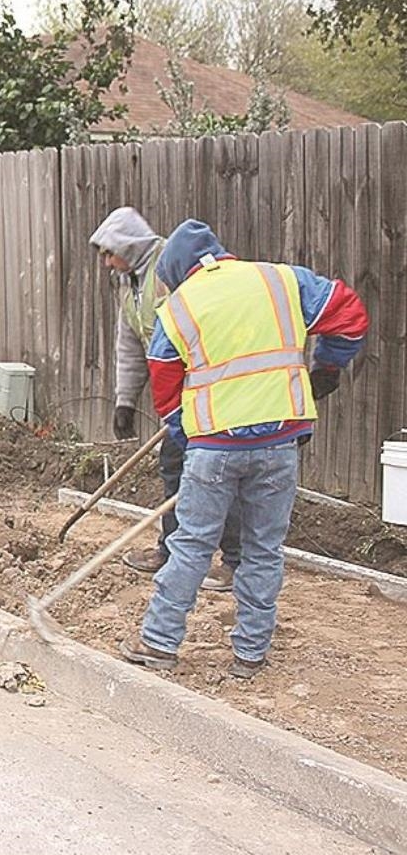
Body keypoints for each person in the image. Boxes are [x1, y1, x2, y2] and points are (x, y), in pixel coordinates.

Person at [121, 220, 367, 678]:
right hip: (279, 442)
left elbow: (164, 382)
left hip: (214, 447)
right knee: (263, 550)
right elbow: (349, 316)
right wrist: (328, 368)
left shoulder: (177, 308)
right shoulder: (281, 280)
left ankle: (158, 643)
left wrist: (183, 433)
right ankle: (250, 654)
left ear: (177, 271)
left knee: (191, 545)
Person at [89, 207, 241, 591]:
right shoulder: (131, 284)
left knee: (219, 472)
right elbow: (130, 345)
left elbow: (201, 327)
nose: (108, 263)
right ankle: (171, 550)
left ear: (127, 244)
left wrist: (195, 391)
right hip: (176, 395)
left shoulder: (171, 267)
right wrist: (125, 401)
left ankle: (235, 561)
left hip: (207, 391)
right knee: (174, 468)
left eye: (110, 253)